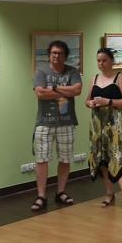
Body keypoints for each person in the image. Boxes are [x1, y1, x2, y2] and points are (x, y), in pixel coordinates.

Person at [30, 40, 83, 211]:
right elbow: (39, 93)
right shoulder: (41, 71)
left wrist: (52, 88)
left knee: (65, 159)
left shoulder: (72, 71)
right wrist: (63, 90)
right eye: (53, 52)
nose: (56, 56)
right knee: (42, 159)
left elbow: (77, 90)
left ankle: (61, 192)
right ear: (49, 54)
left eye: (60, 53)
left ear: (65, 56)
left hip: (67, 122)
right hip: (44, 123)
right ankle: (41, 196)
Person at [85, 48, 122, 213]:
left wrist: (108, 101)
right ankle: (109, 193)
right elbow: (87, 100)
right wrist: (90, 103)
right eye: (98, 61)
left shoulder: (120, 77)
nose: (101, 64)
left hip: (115, 125)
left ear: (112, 61)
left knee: (118, 157)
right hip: (97, 126)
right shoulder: (94, 78)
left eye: (104, 60)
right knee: (102, 159)